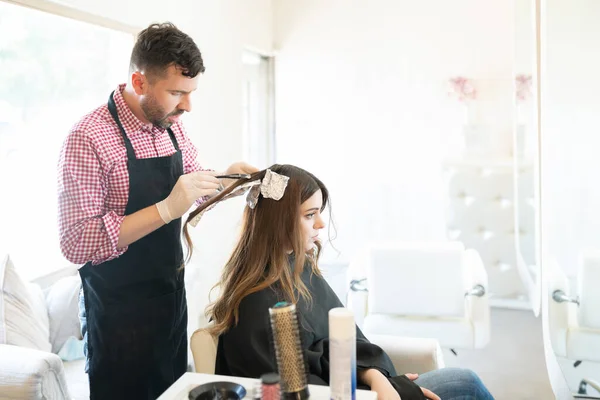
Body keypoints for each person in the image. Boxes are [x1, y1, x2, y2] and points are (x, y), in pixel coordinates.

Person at [57, 22, 256, 399]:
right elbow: (76, 242)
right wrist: (165, 209)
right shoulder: (88, 137)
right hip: (117, 317)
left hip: (168, 304)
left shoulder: (170, 126)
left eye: (191, 92)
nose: (187, 105)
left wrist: (232, 180)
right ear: (140, 81)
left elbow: (193, 189)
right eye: (177, 93)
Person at [185, 164, 495, 400]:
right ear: (278, 222)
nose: (320, 224)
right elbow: (301, 389)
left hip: (360, 386)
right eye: (309, 215)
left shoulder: (298, 268)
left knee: (463, 382)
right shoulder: (258, 305)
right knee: (463, 384)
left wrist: (378, 378)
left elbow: (342, 343)